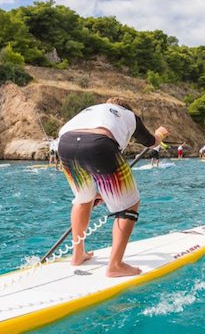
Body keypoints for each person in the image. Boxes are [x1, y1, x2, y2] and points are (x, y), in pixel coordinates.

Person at [57, 97, 169, 277]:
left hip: (65, 144)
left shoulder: (91, 109)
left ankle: (77, 255)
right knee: (130, 204)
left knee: (84, 198)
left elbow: (80, 139)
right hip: (99, 144)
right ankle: (115, 265)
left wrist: (103, 191)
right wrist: (161, 134)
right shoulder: (128, 115)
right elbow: (151, 142)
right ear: (125, 107)